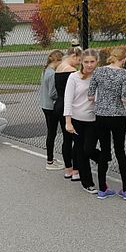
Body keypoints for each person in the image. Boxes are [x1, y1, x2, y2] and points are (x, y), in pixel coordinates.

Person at [89, 47, 126, 200]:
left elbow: (90, 95)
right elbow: (124, 98)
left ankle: (102, 189)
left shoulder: (99, 71)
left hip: (101, 115)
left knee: (104, 150)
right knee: (120, 151)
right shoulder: (124, 74)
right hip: (118, 115)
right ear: (124, 59)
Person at [64, 49, 101, 194]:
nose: (89, 65)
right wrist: (68, 121)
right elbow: (68, 100)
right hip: (77, 119)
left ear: (97, 62)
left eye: (92, 62)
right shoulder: (74, 77)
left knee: (88, 149)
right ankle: (87, 183)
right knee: (81, 151)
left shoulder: (99, 77)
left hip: (94, 119)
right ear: (81, 62)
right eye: (86, 62)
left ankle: (101, 158)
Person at [54, 47, 83, 181]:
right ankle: (76, 170)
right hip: (69, 106)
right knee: (76, 139)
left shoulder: (59, 67)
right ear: (74, 55)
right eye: (79, 60)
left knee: (66, 139)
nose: (79, 63)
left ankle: (68, 169)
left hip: (59, 104)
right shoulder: (71, 71)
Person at [39, 50, 64, 170]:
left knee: (51, 132)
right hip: (51, 106)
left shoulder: (45, 71)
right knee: (52, 133)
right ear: (57, 60)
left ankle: (50, 159)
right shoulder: (52, 74)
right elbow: (52, 93)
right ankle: (50, 161)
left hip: (45, 105)